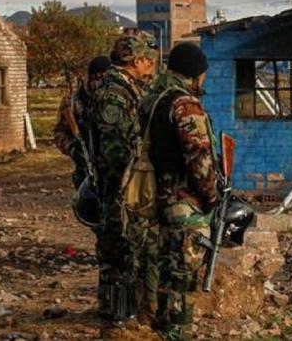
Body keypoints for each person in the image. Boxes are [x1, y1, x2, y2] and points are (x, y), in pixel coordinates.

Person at [140, 43, 218, 340]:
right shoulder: (185, 104)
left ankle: (162, 328)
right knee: (183, 277)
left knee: (164, 269)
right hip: (184, 203)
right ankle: (177, 333)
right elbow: (199, 159)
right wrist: (211, 197)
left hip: (153, 196)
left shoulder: (151, 99)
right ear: (196, 73)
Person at [91, 33, 159, 331]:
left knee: (129, 251)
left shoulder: (130, 88)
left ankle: (125, 315)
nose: (153, 65)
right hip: (119, 188)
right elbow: (115, 149)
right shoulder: (114, 93)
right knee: (118, 252)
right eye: (150, 59)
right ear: (137, 60)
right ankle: (116, 319)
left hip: (128, 187)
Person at [54, 56, 111, 189]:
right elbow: (60, 133)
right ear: (93, 77)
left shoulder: (111, 99)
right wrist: (74, 149)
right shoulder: (73, 102)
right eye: (99, 79)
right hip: (85, 172)